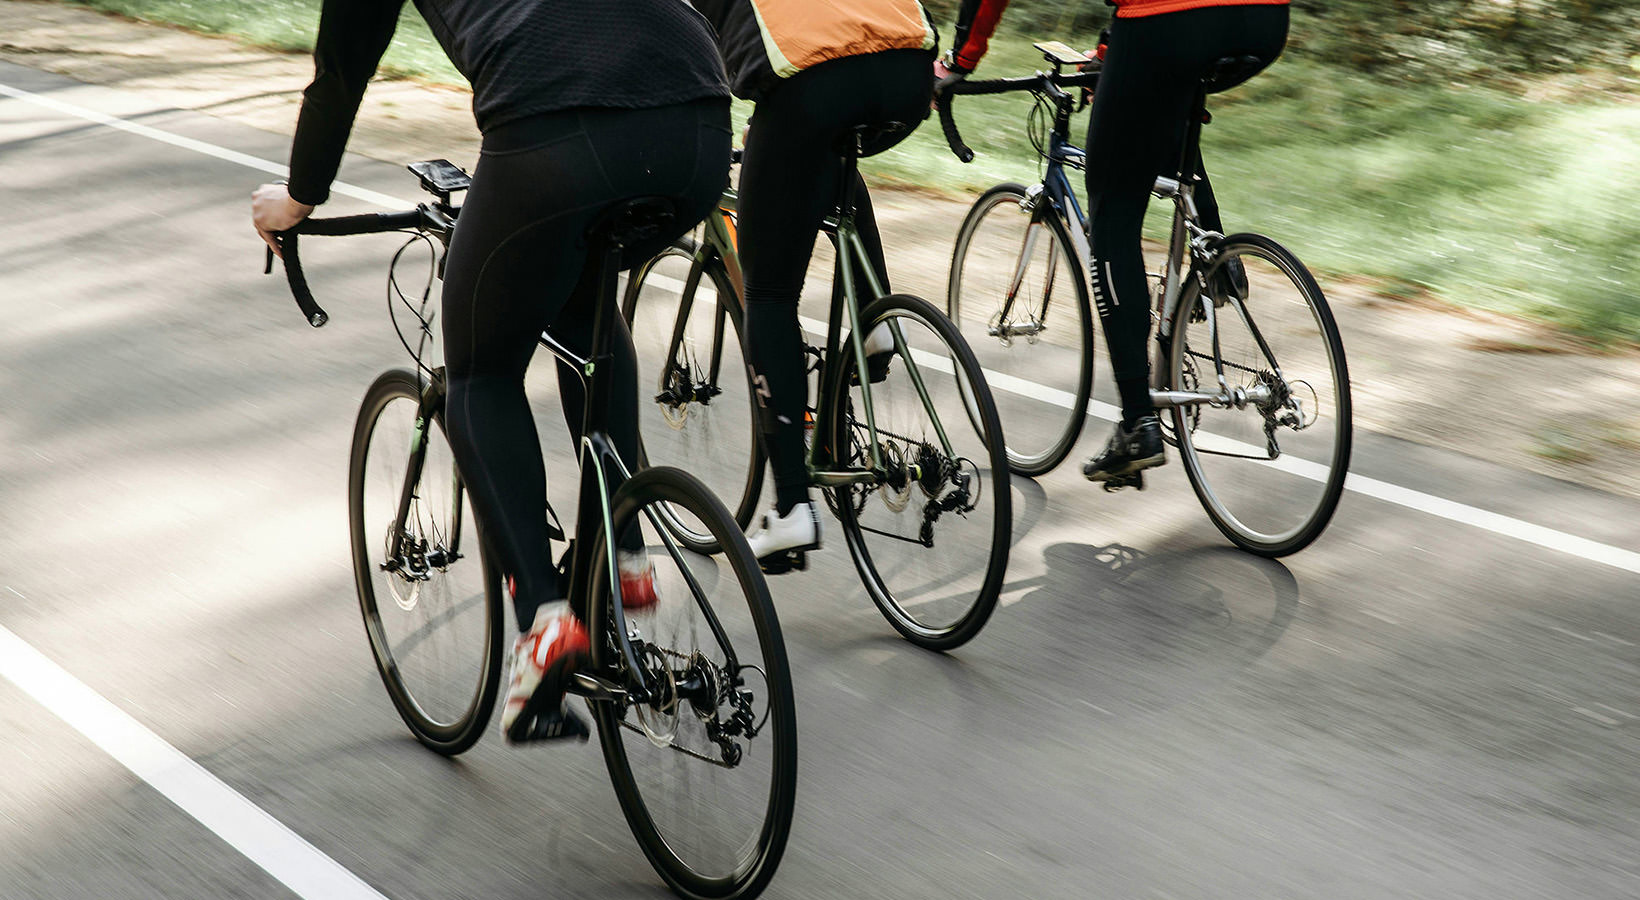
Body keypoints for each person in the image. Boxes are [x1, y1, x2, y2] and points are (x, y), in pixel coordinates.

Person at [251, 0, 732, 742]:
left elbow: (340, 71)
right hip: (698, 122)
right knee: (581, 297)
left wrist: (297, 199)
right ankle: (625, 553)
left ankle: (544, 625)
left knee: (479, 374)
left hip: (556, 126)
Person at [939, 0, 1289, 484]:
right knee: (1163, 102)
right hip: (1265, 22)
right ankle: (1214, 256)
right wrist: (1111, 49)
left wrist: (958, 61)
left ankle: (1137, 423)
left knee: (1112, 217)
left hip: (1168, 19)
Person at [689, 0, 939, 572]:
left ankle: (792, 508)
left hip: (814, 79)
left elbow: (687, 51)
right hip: (908, 69)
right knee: (822, 150)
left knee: (769, 294)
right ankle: (874, 324)